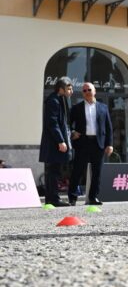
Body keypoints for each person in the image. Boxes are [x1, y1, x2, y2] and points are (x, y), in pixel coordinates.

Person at [68, 82, 113, 206]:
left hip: (98, 144)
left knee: (97, 172)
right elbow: (67, 124)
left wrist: (109, 144)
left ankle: (93, 197)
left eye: (89, 90)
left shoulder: (103, 107)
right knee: (77, 171)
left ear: (94, 91)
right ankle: (72, 198)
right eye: (84, 91)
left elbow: (108, 127)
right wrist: (72, 132)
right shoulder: (76, 108)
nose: (87, 92)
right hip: (82, 143)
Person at [39, 77, 74, 207]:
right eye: (69, 89)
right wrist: (61, 141)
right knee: (53, 171)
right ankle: (53, 199)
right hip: (53, 143)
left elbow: (62, 123)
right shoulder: (53, 101)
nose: (71, 91)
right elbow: (53, 123)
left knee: (54, 170)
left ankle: (52, 198)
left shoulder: (60, 100)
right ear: (61, 89)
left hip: (56, 142)